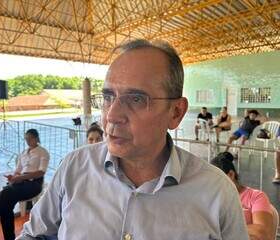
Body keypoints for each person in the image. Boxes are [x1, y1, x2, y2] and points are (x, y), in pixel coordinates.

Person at [17, 39, 249, 240]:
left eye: (136, 99)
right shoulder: (74, 168)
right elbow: (32, 234)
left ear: (176, 112)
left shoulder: (216, 193)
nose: (112, 116)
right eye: (108, 97)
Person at [211, 152, 274, 240]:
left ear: (231, 175)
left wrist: (221, 230)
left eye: (216, 181)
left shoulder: (256, 196)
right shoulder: (212, 198)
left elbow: (262, 233)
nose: (213, 186)